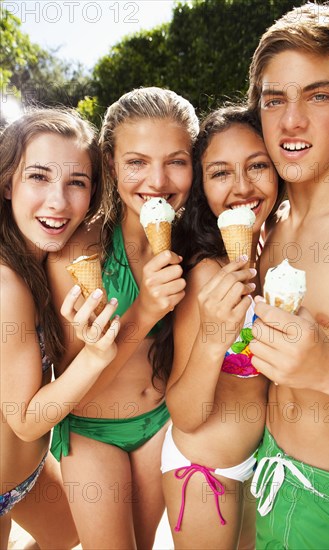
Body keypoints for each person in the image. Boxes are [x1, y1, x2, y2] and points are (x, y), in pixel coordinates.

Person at [46, 87, 199, 549]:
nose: (158, 179)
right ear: (110, 162)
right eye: (137, 162)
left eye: (177, 160)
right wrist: (147, 306)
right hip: (91, 429)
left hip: (157, 420)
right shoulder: (76, 254)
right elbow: (78, 379)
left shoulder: (193, 244)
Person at [246, 3, 329, 548]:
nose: (291, 120)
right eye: (275, 100)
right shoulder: (262, 229)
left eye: (318, 96)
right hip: (264, 476)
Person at [161, 105, 284, 549]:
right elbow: (185, 413)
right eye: (219, 173)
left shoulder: (278, 250)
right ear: (201, 188)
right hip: (204, 472)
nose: (242, 187)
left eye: (257, 165)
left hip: (262, 466)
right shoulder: (207, 275)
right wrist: (214, 338)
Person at [0, 108, 121, 549]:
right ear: (7, 182)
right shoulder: (6, 283)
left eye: (77, 182)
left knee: (71, 530)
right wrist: (95, 355)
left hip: (25, 479)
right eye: (38, 176)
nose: (58, 201)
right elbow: (27, 422)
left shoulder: (40, 263)